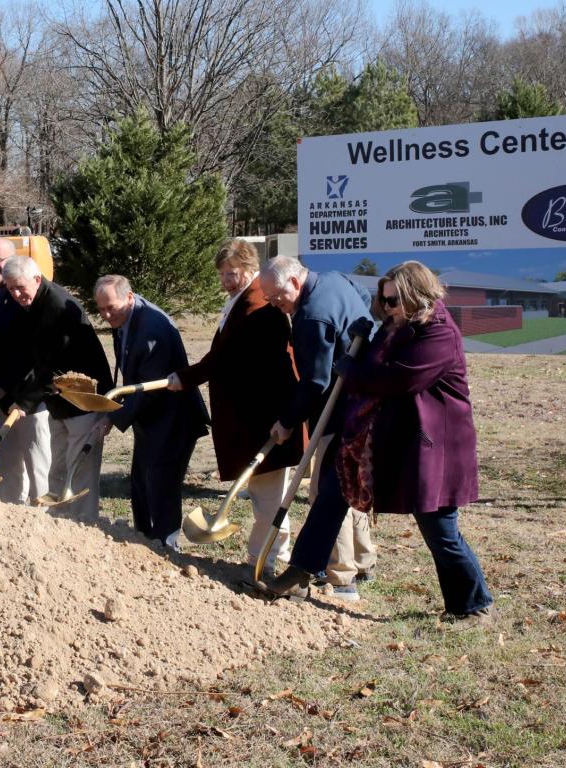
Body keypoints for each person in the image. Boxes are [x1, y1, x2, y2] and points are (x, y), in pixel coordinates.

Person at [268, 261, 494, 626]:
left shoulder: (439, 333)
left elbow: (397, 381)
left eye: (393, 301)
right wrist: (360, 345)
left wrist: (350, 368)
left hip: (431, 446)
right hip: (380, 438)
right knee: (332, 492)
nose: (385, 308)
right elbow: (374, 363)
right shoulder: (396, 326)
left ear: (416, 296)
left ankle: (473, 603)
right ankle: (300, 573)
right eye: (383, 300)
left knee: (440, 530)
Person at [166, 240, 303, 573]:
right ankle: (273, 554)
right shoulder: (242, 301)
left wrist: (186, 378)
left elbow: (223, 358)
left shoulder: (257, 305)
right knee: (266, 493)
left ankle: (263, 561)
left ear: (249, 268)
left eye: (232, 273)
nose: (226, 281)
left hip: (262, 418)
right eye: (222, 275)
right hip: (251, 418)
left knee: (267, 496)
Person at [258, 255, 376, 601]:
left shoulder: (311, 317)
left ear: (295, 282)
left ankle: (341, 579)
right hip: (364, 403)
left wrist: (288, 422)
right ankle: (365, 560)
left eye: (277, 296)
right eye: (268, 298)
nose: (275, 305)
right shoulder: (334, 279)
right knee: (349, 483)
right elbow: (364, 302)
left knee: (327, 491)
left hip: (338, 412)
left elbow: (315, 383)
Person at [93, 275, 208, 548]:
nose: (107, 315)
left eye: (112, 308)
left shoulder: (152, 331)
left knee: (160, 485)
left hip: (172, 418)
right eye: (102, 310)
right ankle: (144, 540)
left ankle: (166, 546)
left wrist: (112, 416)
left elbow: (148, 389)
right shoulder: (127, 317)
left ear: (130, 297)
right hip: (151, 420)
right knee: (142, 484)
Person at [0, 257, 113, 519]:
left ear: (37, 279)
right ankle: (60, 525)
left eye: (20, 287)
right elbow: (34, 360)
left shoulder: (57, 307)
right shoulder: (33, 303)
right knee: (57, 466)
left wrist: (25, 403)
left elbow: (55, 368)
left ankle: (84, 526)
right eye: (10, 288)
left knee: (79, 470)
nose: (15, 294)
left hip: (84, 398)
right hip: (60, 401)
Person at [0, 238, 51, 504]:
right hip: (1, 393)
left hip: (28, 396)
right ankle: (12, 515)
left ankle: (44, 517)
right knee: (8, 461)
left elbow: (29, 354)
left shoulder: (25, 296)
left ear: (13, 260)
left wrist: (2, 388)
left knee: (36, 461)